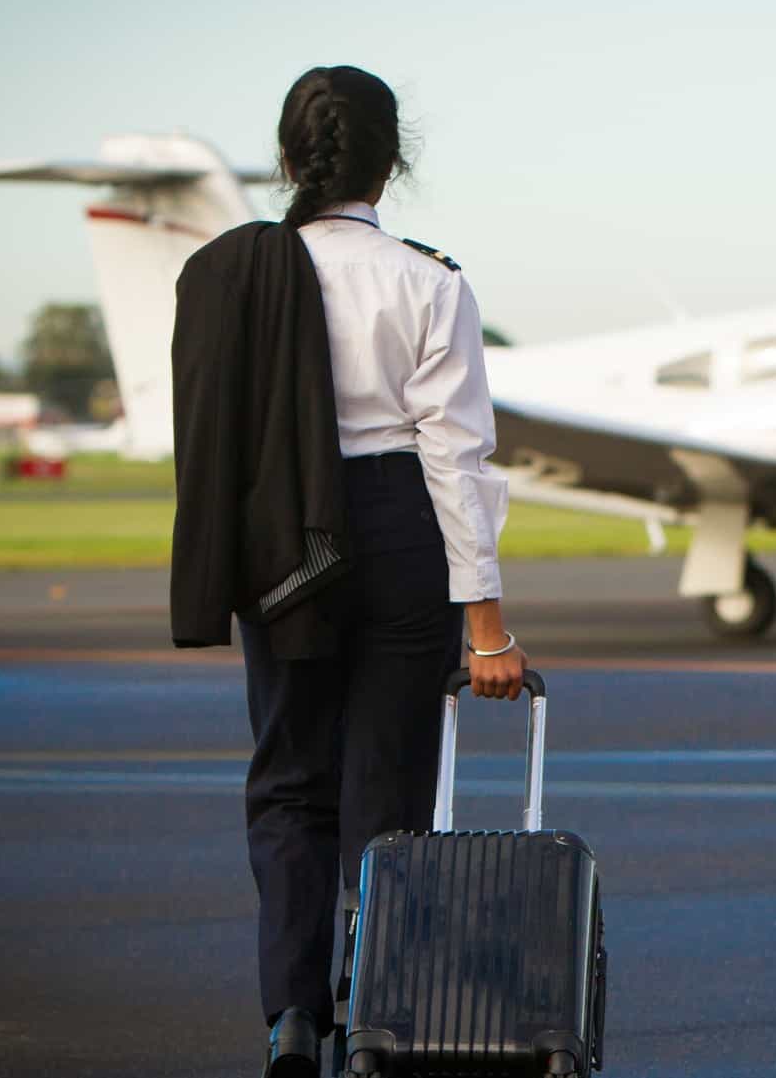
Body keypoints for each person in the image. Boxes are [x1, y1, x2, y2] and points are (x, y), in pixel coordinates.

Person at [169, 64, 527, 1078]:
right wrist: (488, 623)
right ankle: (375, 1023)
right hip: (398, 527)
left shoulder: (234, 272)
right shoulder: (430, 279)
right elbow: (457, 459)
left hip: (286, 537)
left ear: (289, 159)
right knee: (390, 789)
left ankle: (291, 1018)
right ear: (391, 162)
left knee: (288, 783)